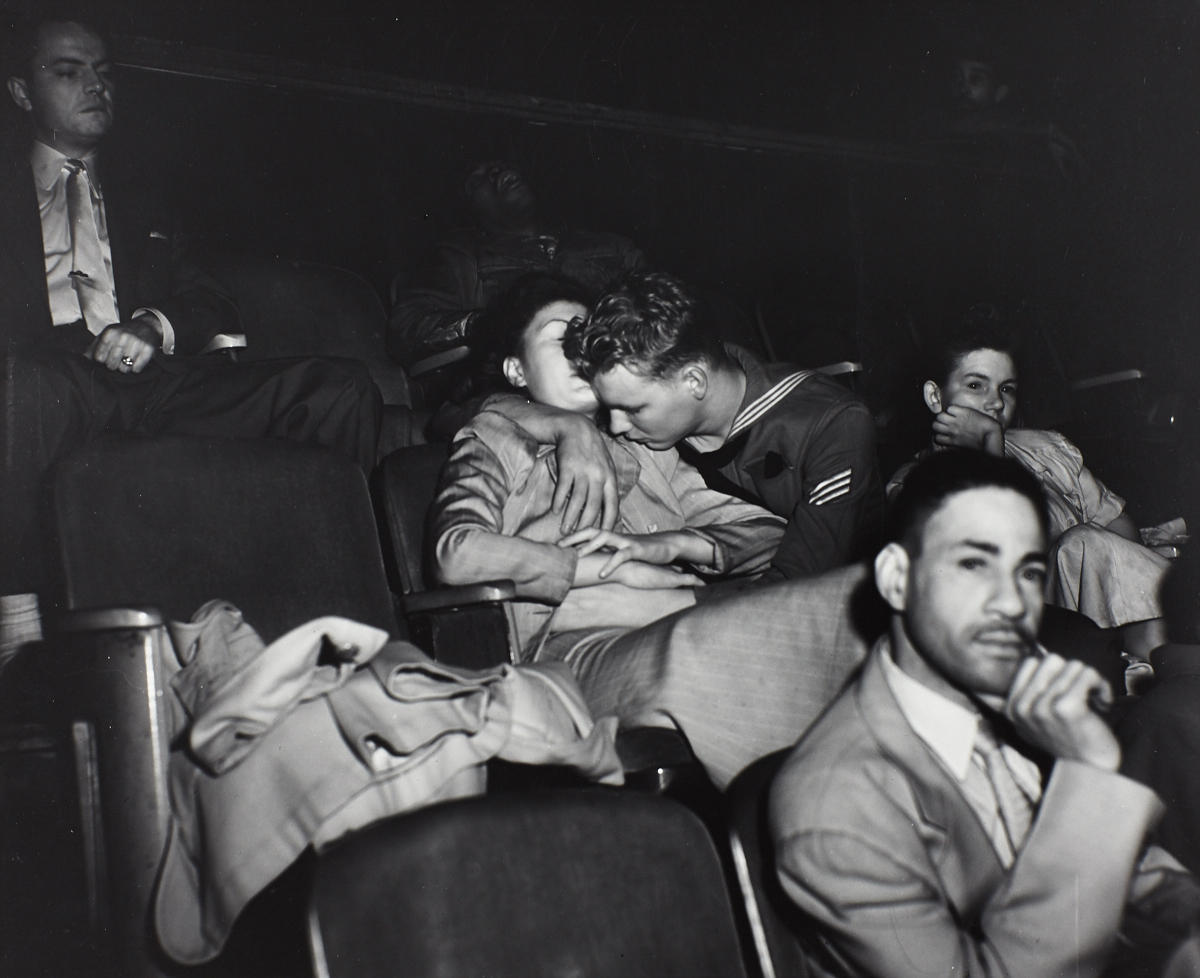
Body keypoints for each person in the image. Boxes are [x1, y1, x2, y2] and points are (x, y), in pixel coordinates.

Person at [431, 272, 879, 787]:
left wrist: (671, 546)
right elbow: (455, 553)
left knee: (847, 599)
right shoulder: (492, 437)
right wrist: (588, 571)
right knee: (719, 648)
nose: (582, 357)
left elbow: (768, 533)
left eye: (587, 340)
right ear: (515, 368)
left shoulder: (648, 448)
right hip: (574, 648)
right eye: (563, 339)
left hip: (671, 626)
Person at [0, 13, 383, 613]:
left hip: (160, 383)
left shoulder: (148, 198)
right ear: (22, 93)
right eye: (68, 72)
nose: (95, 85)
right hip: (48, 382)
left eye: (104, 72)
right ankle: (15, 622)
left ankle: (322, 607)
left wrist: (152, 324)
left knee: (341, 389)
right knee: (31, 384)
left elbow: (212, 300)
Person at [770, 448, 1199, 978]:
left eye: (1028, 572)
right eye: (974, 563)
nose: (1012, 603)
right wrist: (1086, 772)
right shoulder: (838, 804)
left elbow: (1142, 879)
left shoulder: (1018, 709)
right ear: (896, 578)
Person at [563, 270, 883, 582]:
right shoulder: (664, 418)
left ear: (694, 381)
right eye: (609, 408)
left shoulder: (834, 425)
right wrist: (568, 428)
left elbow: (798, 583)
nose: (616, 426)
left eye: (632, 409)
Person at [887, 316, 1170, 660]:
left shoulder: (1045, 448)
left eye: (1006, 388)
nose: (995, 403)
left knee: (1087, 546)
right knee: (1083, 544)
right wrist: (990, 448)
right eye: (976, 386)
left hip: (1117, 623)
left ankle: (1164, 665)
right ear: (935, 396)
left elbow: (1122, 529)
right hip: (1018, 638)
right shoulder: (916, 484)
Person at [388, 159, 644, 401]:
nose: (497, 173)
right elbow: (408, 328)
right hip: (521, 395)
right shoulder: (459, 256)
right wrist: (498, 324)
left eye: (502, 165)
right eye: (479, 178)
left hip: (629, 377)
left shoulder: (614, 246)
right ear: (467, 207)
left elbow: (666, 307)